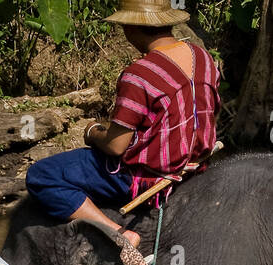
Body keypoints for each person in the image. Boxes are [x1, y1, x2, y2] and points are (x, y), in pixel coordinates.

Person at [25, 1, 220, 250]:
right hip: (195, 166)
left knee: (43, 175)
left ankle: (118, 232)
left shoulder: (140, 73)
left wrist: (93, 133)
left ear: (131, 27)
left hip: (150, 177)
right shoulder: (202, 57)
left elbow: (116, 146)